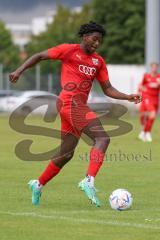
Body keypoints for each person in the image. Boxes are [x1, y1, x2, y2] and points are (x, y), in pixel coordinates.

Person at [9, 21, 141, 207]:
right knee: (102, 139)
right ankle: (88, 180)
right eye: (94, 39)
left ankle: (38, 184)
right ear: (84, 36)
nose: (96, 44)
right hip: (69, 102)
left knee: (66, 154)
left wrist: (127, 96)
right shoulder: (68, 50)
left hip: (75, 105)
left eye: (99, 41)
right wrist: (18, 71)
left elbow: (108, 88)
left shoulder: (98, 62)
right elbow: (39, 56)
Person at [138, 63, 160, 142]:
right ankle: (146, 132)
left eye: (155, 67)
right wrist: (141, 91)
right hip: (147, 98)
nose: (154, 68)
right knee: (150, 115)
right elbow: (141, 85)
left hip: (156, 100)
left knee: (151, 117)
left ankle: (145, 132)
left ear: (157, 68)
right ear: (151, 68)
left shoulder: (159, 77)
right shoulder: (146, 76)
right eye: (153, 67)